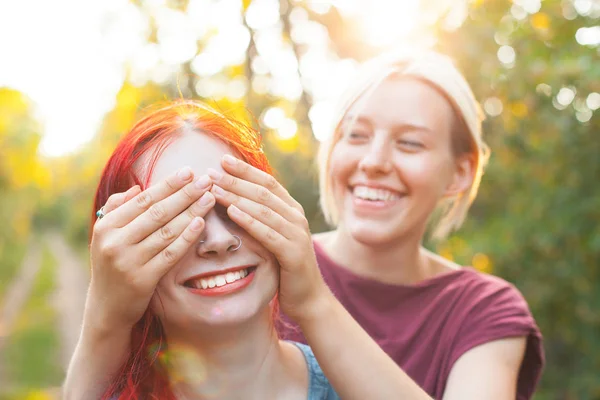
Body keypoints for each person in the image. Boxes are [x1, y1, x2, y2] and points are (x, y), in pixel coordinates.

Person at [64, 100, 431, 400]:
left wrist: (313, 300)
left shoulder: (363, 384)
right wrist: (105, 317)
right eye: (176, 218)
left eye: (235, 204)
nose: (220, 240)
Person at [278, 51, 545, 399]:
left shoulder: (485, 310)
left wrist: (314, 303)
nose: (373, 162)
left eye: (409, 143)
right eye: (356, 135)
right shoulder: (268, 268)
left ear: (459, 173)